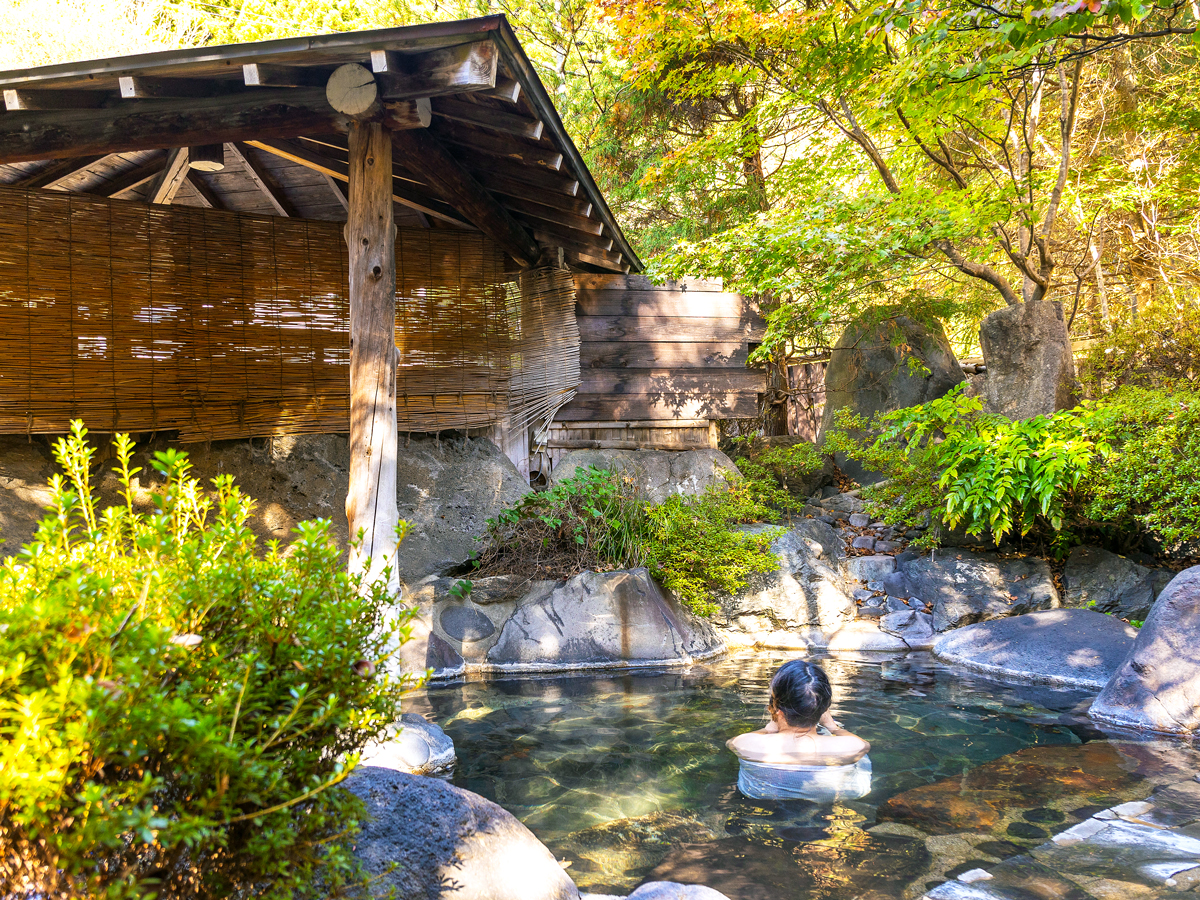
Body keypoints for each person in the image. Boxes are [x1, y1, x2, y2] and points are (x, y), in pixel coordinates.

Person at [726, 659, 872, 801]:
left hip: (761, 795)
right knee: (862, 760)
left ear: (777, 709)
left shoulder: (745, 743)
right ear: (824, 709)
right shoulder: (852, 746)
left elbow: (731, 743)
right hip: (834, 796)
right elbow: (864, 746)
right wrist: (833, 727)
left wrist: (767, 729)